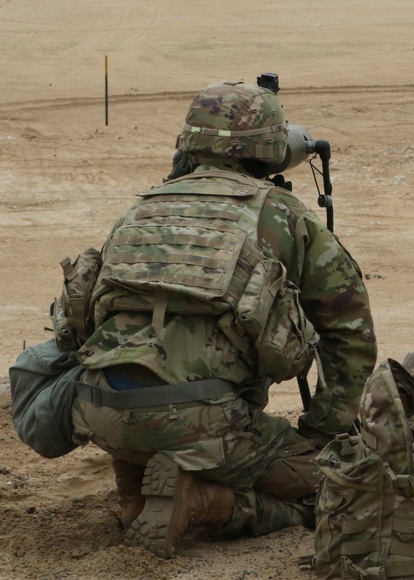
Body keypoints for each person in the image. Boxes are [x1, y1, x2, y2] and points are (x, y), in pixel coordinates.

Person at [69, 79, 377, 558]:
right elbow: (349, 330)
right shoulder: (282, 213)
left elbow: (89, 317)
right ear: (272, 148)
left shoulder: (144, 207)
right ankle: (204, 501)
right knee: (340, 482)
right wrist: (323, 435)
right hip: (199, 422)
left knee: (146, 373)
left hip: (94, 410)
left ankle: (135, 491)